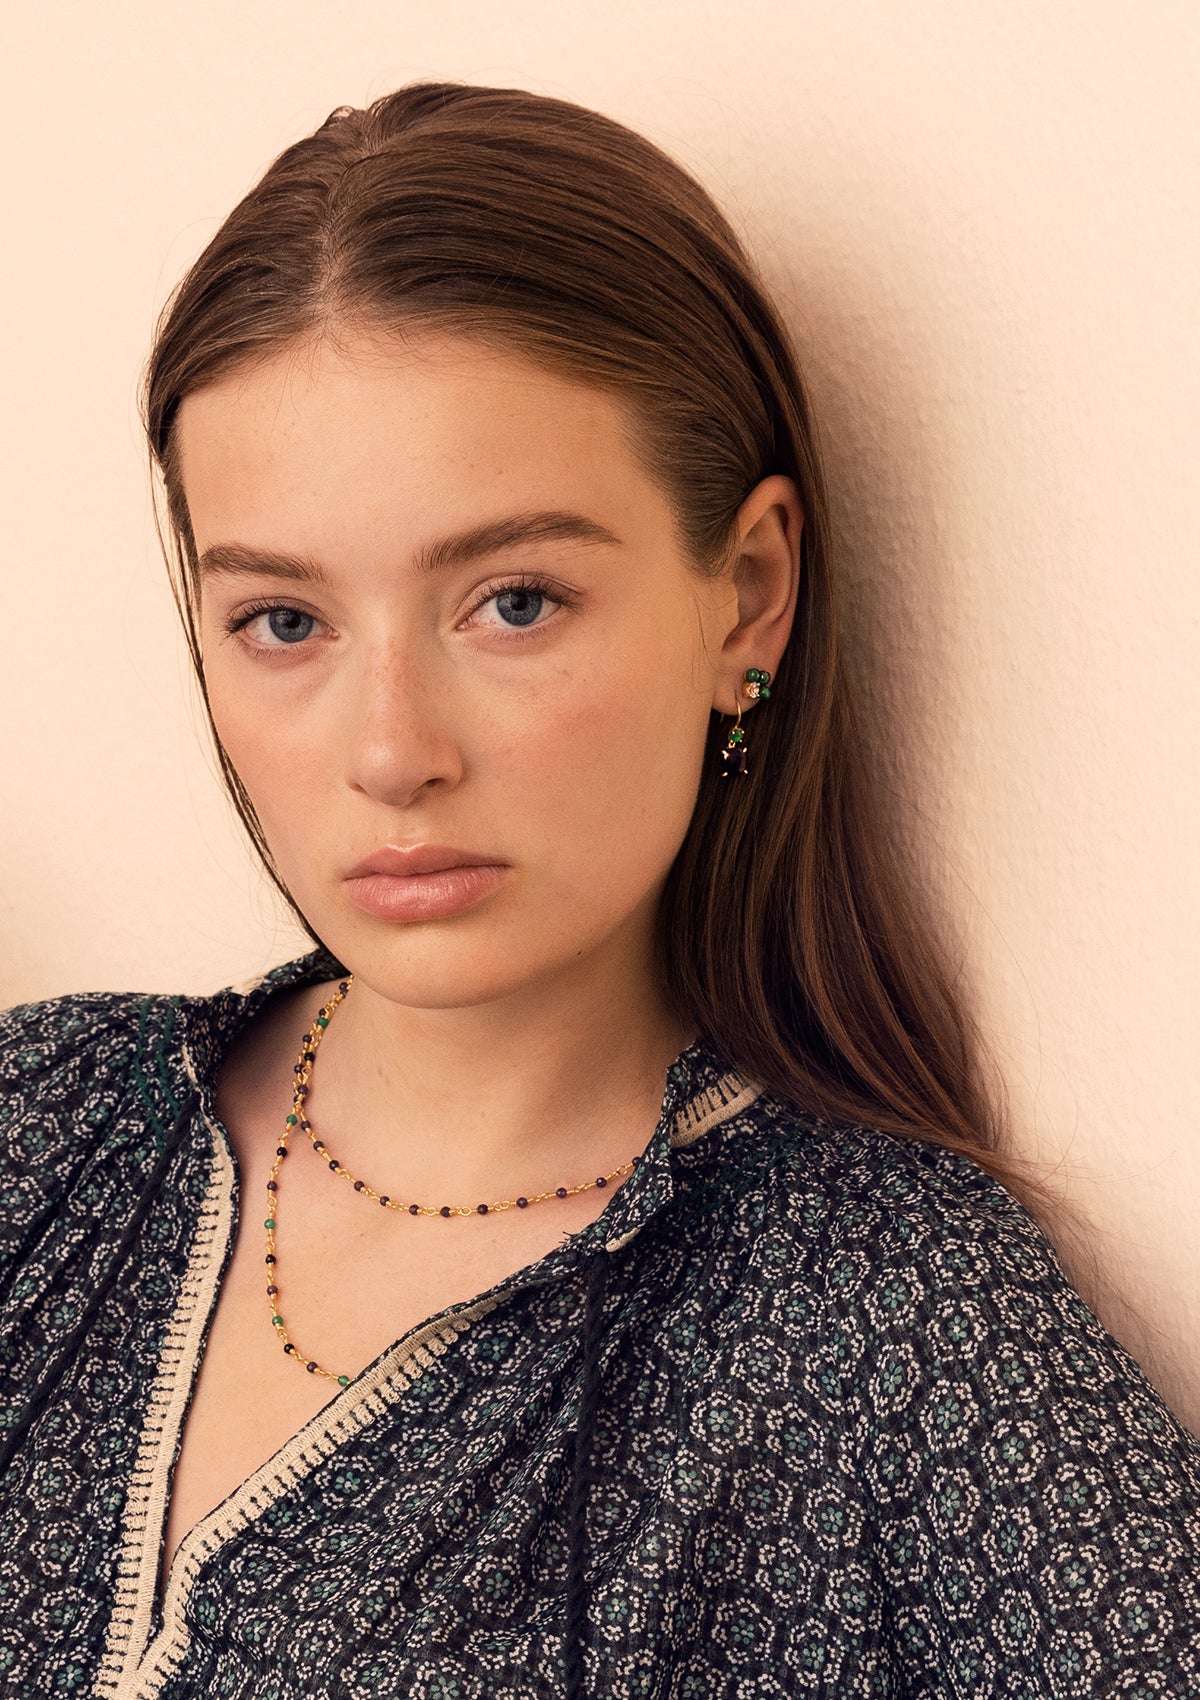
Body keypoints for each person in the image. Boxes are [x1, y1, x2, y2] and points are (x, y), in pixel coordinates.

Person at [1, 79, 1197, 1700]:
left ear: (747, 599)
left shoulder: (892, 1324)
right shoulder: (40, 1125)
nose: (389, 751)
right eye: (284, 622)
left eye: (511, 600)